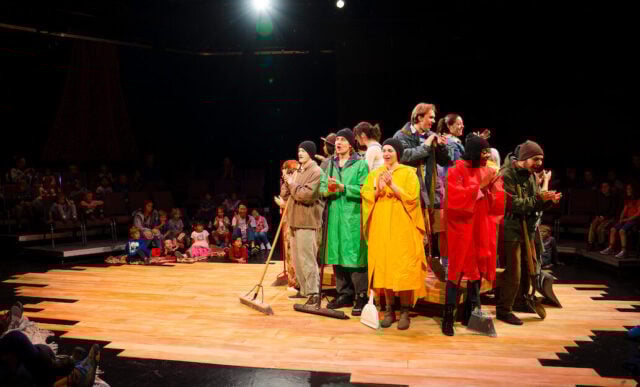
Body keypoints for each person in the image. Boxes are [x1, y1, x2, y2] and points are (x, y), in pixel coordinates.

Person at [441, 135, 505, 336]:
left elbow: (497, 200)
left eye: (488, 152)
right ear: (474, 153)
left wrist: (494, 186)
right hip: (461, 228)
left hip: (480, 227)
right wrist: (480, 187)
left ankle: (472, 314)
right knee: (456, 271)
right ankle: (448, 317)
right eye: (484, 152)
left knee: (477, 268)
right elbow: (454, 199)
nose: (487, 156)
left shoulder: (487, 170)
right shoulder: (455, 171)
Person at [362, 138, 427, 330]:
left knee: (403, 266)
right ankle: (389, 310)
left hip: (402, 227)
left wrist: (393, 186)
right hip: (381, 227)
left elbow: (413, 199)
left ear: (398, 152)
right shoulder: (375, 174)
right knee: (386, 267)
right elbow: (366, 196)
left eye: (390, 150)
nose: (386, 154)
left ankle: (405, 311)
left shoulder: (408, 173)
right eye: (384, 150)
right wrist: (378, 190)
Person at [497, 140, 561, 325]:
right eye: (536, 159)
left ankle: (520, 301)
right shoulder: (506, 174)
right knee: (514, 272)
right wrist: (539, 199)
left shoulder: (531, 175)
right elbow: (513, 204)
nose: (539, 163)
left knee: (527, 267)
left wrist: (548, 201)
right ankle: (504, 309)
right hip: (511, 229)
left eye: (541, 159)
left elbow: (534, 203)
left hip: (527, 228)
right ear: (524, 158)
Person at [394, 103, 451, 267]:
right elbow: (404, 156)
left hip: (430, 191)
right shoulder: (401, 135)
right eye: (430, 117)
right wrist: (427, 145)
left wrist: (441, 146)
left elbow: (444, 160)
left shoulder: (431, 135)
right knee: (415, 234)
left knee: (432, 233)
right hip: (411, 193)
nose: (433, 121)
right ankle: (413, 268)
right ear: (419, 117)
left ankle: (430, 269)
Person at [319, 128, 370, 316]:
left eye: (342, 140)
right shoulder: (330, 164)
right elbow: (322, 188)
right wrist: (330, 189)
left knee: (354, 256)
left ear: (350, 144)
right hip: (334, 216)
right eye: (337, 140)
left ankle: (361, 295)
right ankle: (344, 294)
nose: (338, 143)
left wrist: (343, 187)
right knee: (337, 254)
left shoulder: (360, 164)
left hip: (352, 215)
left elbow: (365, 189)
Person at [280, 141, 324, 304]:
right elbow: (286, 195)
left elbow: (306, 196)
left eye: (303, 151)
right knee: (297, 260)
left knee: (307, 259)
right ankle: (304, 290)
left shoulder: (316, 171)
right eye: (299, 151)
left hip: (307, 220)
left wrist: (292, 184)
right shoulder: (298, 171)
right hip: (293, 220)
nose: (300, 154)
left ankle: (313, 293)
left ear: (311, 153)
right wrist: (286, 179)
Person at [274, 160, 301, 291]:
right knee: (289, 250)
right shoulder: (285, 181)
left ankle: (296, 282)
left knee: (294, 250)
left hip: (295, 218)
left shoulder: (295, 181)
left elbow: (297, 199)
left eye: (286, 171)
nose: (284, 174)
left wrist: (284, 204)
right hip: (286, 218)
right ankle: (292, 280)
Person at [600, 183, 640, 258]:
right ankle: (611, 248)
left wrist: (627, 219)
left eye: (629, 189)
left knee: (622, 230)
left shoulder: (638, 200)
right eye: (627, 189)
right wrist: (621, 219)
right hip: (627, 220)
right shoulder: (627, 199)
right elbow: (624, 210)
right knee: (613, 229)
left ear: (633, 190)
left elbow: (638, 214)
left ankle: (624, 251)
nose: (628, 190)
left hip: (635, 220)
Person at [587, 182, 620, 250]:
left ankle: (601, 244)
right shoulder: (599, 196)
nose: (603, 188)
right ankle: (591, 243)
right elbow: (596, 207)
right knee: (592, 225)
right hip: (599, 216)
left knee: (600, 228)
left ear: (609, 188)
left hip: (609, 218)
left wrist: (604, 217)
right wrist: (597, 216)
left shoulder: (612, 198)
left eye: (605, 187)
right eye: (602, 187)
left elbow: (613, 211)